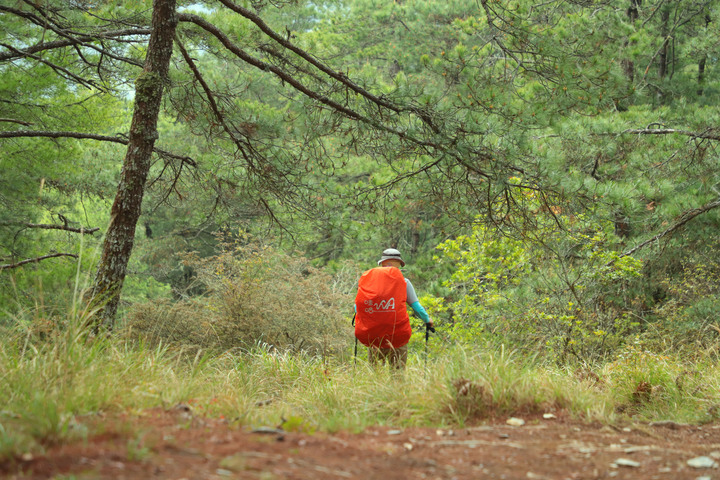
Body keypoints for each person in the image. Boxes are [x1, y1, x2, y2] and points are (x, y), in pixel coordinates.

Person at [354, 248, 434, 369]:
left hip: (375, 338)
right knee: (398, 374)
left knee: (375, 376)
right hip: (397, 337)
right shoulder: (404, 282)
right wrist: (427, 320)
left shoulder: (370, 282)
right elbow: (416, 307)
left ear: (382, 263)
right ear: (398, 265)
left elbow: (358, 307)